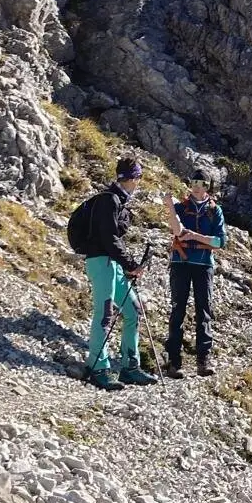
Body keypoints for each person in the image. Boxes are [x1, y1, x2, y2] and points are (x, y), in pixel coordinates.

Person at [69, 156, 157, 389]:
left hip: (112, 264)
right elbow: (110, 239)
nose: (138, 184)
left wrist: (126, 265)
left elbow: (113, 239)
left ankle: (130, 366)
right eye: (138, 178)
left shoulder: (116, 201)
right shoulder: (109, 201)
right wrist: (130, 264)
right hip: (101, 262)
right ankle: (98, 367)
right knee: (105, 314)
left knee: (133, 311)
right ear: (132, 179)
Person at [164, 175, 227, 379]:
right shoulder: (180, 207)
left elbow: (220, 242)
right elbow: (177, 231)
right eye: (194, 184)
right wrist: (170, 208)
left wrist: (195, 236)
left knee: (204, 309)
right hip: (180, 263)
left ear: (207, 187)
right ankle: (174, 361)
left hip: (203, 265)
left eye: (201, 184)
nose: (197, 188)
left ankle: (203, 359)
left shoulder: (214, 210)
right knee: (178, 309)